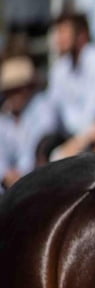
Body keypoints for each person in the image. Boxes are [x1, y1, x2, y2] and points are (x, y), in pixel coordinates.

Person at [46, 11, 95, 138]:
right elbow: (52, 108)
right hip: (70, 136)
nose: (58, 38)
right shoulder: (59, 68)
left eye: (64, 32)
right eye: (58, 32)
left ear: (82, 35)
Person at [0, 55, 56, 190]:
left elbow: (41, 149)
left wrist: (21, 177)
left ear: (29, 87)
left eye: (18, 89)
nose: (14, 95)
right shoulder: (4, 119)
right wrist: (6, 175)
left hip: (40, 183)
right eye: (9, 90)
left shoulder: (44, 108)